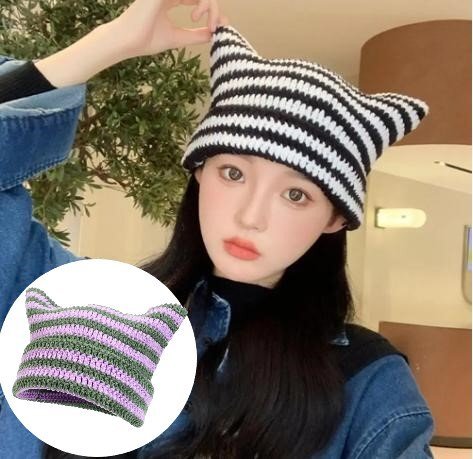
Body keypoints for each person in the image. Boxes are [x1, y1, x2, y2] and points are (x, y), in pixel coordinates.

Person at [0, 0, 435, 458]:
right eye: (233, 173)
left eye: (295, 194)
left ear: (334, 218)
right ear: (200, 173)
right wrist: (109, 43)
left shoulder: (364, 381)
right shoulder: (89, 305)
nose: (251, 216)